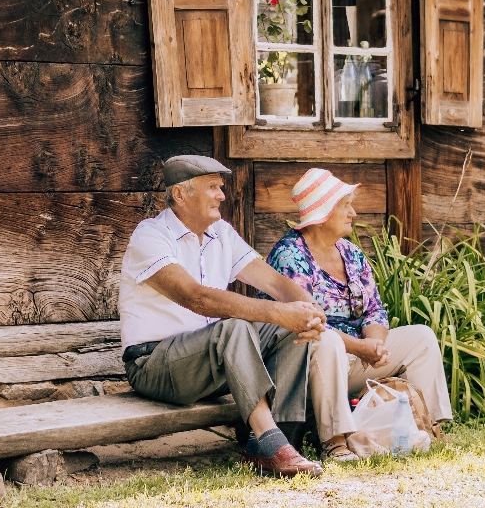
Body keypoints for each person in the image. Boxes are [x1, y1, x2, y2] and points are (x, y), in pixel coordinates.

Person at [119, 155, 328, 477]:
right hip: (154, 366)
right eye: (213, 188)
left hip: (211, 364)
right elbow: (196, 297)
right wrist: (277, 312)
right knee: (234, 327)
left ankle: (277, 443)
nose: (222, 195)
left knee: (286, 330)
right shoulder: (150, 236)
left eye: (221, 187)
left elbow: (273, 281)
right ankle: (274, 445)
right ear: (180, 195)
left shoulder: (221, 233)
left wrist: (308, 310)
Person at [264, 168, 453, 462]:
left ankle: (427, 426)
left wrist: (375, 344)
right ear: (323, 212)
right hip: (301, 363)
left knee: (421, 338)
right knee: (327, 342)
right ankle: (333, 441)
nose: (353, 213)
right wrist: (358, 347)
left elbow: (374, 308)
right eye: (345, 205)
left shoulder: (350, 253)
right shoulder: (291, 256)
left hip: (353, 355)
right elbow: (307, 324)